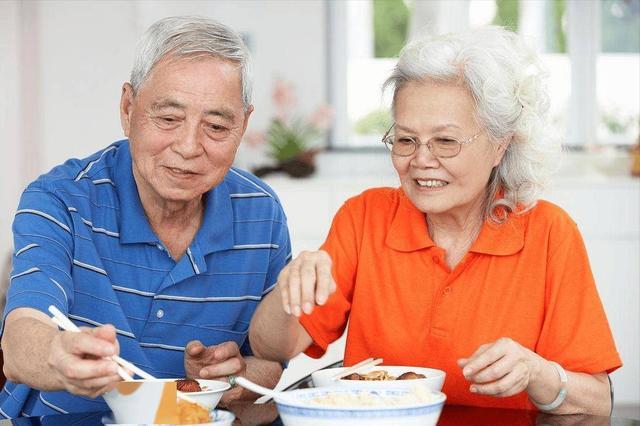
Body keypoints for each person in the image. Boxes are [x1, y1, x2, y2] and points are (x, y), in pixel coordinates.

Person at [249, 27, 621, 415]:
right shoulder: (365, 218)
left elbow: (599, 402)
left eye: (445, 141)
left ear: (500, 145)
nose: (421, 160)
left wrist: (537, 373)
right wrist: (288, 293)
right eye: (406, 140)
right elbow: (270, 347)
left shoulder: (549, 233)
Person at [0, 16, 290, 418]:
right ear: (128, 108)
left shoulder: (261, 213)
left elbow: (271, 366)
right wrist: (58, 355)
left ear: (243, 125)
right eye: (168, 119)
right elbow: (19, 340)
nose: (189, 146)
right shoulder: (60, 199)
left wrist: (231, 377)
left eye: (216, 126)